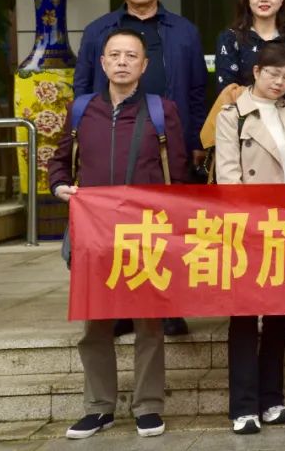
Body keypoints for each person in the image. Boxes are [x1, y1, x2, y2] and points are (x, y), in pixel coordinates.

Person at [47, 29, 189, 440]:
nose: (122, 62)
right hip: (93, 236)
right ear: (103, 63)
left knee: (149, 325)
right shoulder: (81, 110)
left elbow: (179, 174)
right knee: (95, 325)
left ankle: (148, 406)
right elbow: (59, 162)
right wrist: (59, 186)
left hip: (145, 234)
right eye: (115, 55)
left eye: (131, 56)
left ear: (144, 66)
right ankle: (99, 408)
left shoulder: (161, 111)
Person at [73, 0, 205, 338]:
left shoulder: (184, 31)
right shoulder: (98, 30)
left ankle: (167, 308)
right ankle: (119, 309)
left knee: (166, 227)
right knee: (116, 230)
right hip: (113, 138)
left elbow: (197, 90)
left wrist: (196, 140)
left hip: (165, 143)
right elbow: (82, 86)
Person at [214, 42, 285, 435]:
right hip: (248, 229)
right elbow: (229, 179)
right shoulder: (232, 115)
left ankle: (272, 398)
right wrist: (250, 225)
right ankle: (242, 406)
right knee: (243, 318)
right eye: (272, 73)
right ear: (256, 71)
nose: (279, 82)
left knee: (276, 318)